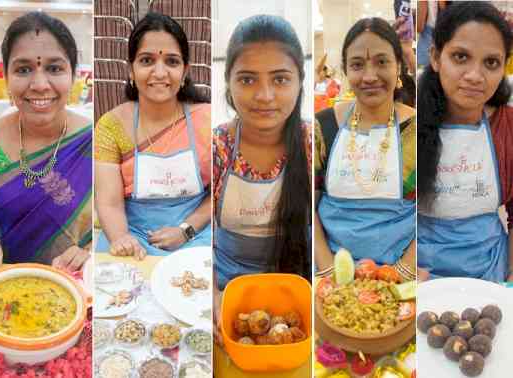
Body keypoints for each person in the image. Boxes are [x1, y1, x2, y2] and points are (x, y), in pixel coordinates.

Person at [212, 14, 311, 340]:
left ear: (300, 80)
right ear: (228, 83)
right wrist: (211, 295)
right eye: (248, 80)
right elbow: (199, 235)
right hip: (228, 295)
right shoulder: (216, 148)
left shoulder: (315, 146)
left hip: (297, 298)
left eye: (280, 79)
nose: (265, 95)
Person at [0, 12, 92, 274]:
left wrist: (89, 253)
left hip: (73, 285)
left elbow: (111, 218)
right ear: (5, 77)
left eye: (54, 68)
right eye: (24, 69)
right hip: (0, 281)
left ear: (73, 75)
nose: (40, 85)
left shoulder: (92, 142)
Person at [95, 12, 212, 258]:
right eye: (147, 61)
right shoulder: (111, 126)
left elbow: (221, 193)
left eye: (171, 62)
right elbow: (109, 203)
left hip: (197, 233)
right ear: (131, 69)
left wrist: (185, 230)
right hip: (131, 234)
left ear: (185, 71)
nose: (160, 73)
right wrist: (121, 239)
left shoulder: (206, 120)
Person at [313, 17, 417, 281]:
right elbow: (306, 205)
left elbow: (432, 215)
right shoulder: (323, 127)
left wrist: (403, 271)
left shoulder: (419, 129)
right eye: (358, 65)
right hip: (331, 272)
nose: (370, 76)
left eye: (382, 62)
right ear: (346, 72)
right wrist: (327, 269)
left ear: (399, 67)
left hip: (403, 274)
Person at [417, 1, 513, 282]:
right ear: (435, 57)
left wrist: (509, 277)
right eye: (460, 57)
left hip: (490, 272)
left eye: (491, 62)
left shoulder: (506, 126)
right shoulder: (411, 123)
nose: (474, 76)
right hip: (421, 275)